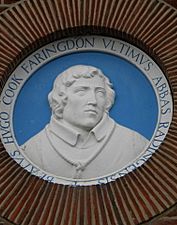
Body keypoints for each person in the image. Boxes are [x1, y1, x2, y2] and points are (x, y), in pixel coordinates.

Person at [20, 65, 149, 179]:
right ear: (60, 98)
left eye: (99, 93)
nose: (93, 100)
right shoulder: (32, 150)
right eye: (81, 91)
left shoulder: (134, 144)